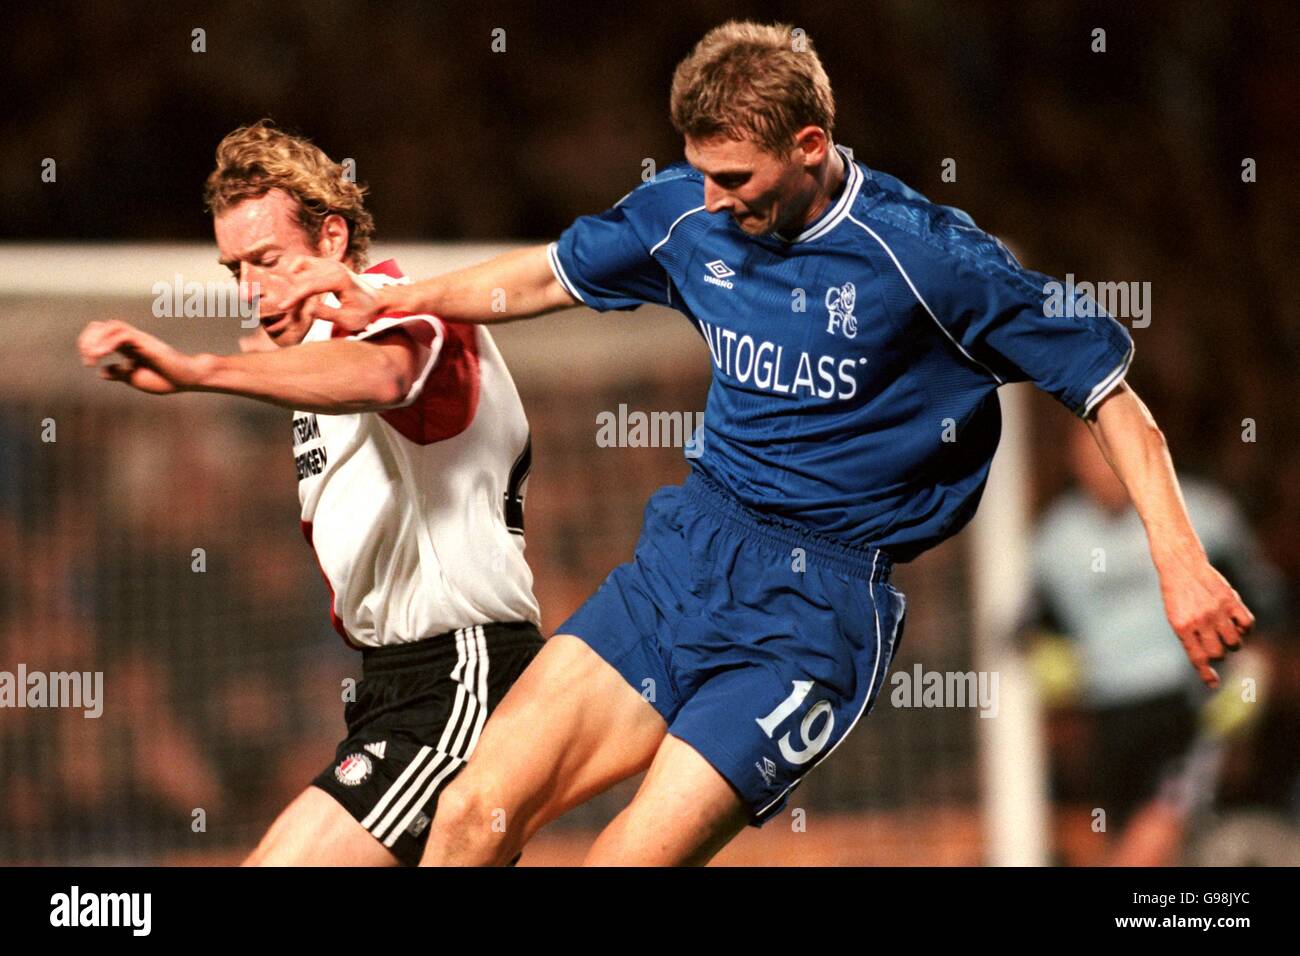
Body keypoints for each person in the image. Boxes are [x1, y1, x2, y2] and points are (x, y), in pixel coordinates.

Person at [274, 21, 1254, 866]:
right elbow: (543, 278)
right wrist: (395, 298)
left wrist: (1177, 557)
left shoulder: (930, 261)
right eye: (697, 170)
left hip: (812, 616)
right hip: (685, 557)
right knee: (471, 815)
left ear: (810, 143)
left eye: (734, 177)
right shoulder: (687, 212)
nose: (710, 198)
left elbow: (1107, 391)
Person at [76, 121, 543, 866]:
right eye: (235, 269)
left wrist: (201, 374)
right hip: (395, 684)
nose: (251, 289)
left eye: (267, 259)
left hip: (460, 677)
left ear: (331, 241)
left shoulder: (399, 300)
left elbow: (389, 375)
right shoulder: (314, 357)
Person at [1029, 425, 1282, 865]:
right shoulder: (1055, 542)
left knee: (1155, 832)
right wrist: (1057, 685)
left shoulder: (1202, 514)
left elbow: (1262, 609)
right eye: (1088, 455)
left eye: (1109, 450)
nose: (1102, 467)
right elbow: (1035, 630)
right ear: (1073, 462)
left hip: (1188, 704)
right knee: (1126, 838)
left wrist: (1249, 689)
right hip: (1107, 714)